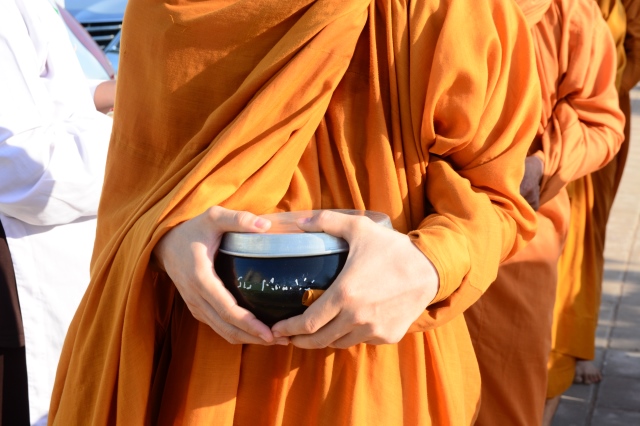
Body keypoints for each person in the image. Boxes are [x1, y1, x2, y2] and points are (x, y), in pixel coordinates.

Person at [48, 0, 541, 424]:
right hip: (198, 368)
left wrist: (430, 264)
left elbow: (497, 195)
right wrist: (164, 242)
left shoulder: (439, 9)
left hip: (380, 372)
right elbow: (132, 195)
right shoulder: (168, 9)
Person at [464, 0, 625, 424]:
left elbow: (603, 122)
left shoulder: (569, 13)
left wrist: (542, 164)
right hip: (409, 231)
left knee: (505, 395)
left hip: (519, 230)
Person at [0, 0, 114, 424]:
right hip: (23, 293)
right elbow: (19, 167)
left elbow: (42, 92)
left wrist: (111, 95)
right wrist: (142, 138)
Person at [544, 0, 640, 419]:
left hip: (597, 119)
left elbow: (636, 44)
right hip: (539, 119)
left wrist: (604, 82)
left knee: (585, 237)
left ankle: (575, 342)